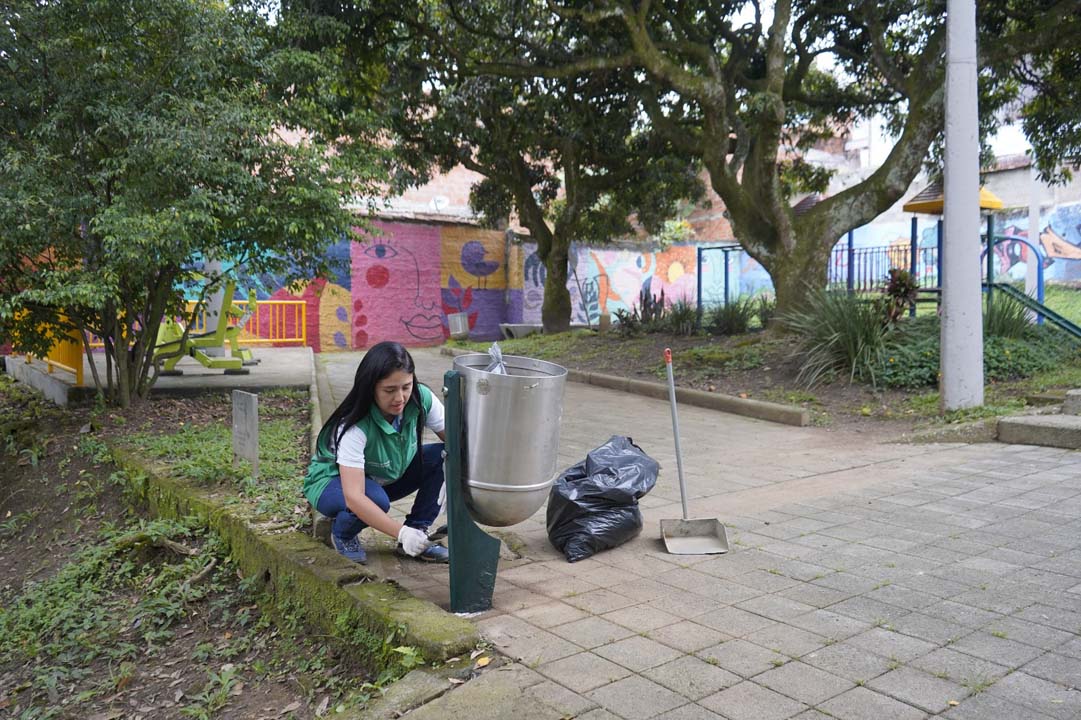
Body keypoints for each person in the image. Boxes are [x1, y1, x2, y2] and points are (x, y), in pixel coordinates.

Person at [304, 341, 448, 564]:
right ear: (371, 387)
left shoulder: (421, 399)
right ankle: (343, 533)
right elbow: (354, 496)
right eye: (389, 390)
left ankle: (417, 534)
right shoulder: (354, 424)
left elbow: (457, 442)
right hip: (331, 483)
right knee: (375, 499)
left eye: (406, 387)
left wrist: (460, 479)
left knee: (444, 457)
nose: (400, 398)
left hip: (383, 475)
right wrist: (400, 531)